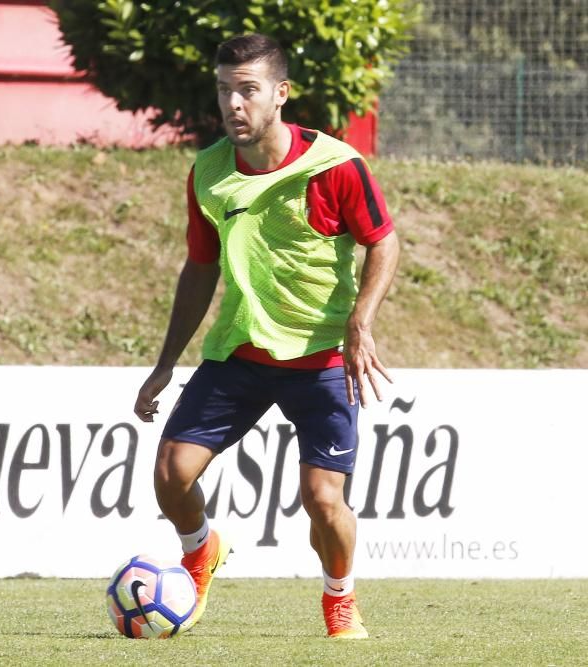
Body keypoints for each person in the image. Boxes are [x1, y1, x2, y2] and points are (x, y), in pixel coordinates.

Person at [134, 33, 399, 639]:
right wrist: (164, 362)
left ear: (280, 94)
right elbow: (200, 267)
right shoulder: (208, 171)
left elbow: (382, 240)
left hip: (323, 355)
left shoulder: (335, 166)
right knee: (172, 472)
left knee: (323, 500)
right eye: (224, 90)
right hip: (242, 349)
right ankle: (200, 550)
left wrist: (361, 322)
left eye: (247, 90)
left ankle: (339, 597)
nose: (233, 104)